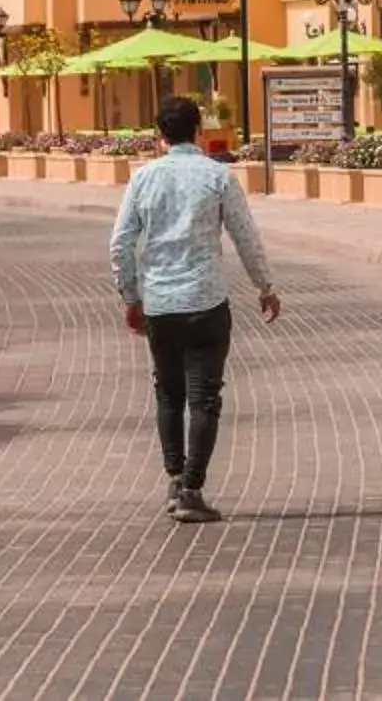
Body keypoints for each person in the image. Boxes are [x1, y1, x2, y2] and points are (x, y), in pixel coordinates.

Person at [108, 94, 280, 524]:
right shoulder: (217, 176)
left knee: (168, 393)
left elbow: (120, 243)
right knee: (204, 398)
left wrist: (131, 297)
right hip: (206, 301)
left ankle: (173, 478)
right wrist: (265, 287)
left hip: (161, 304)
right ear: (198, 129)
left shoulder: (143, 179)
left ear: (158, 134)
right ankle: (191, 487)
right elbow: (245, 236)